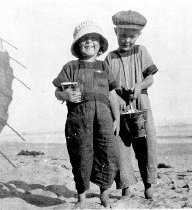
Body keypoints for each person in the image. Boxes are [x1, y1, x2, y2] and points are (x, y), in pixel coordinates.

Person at [52, 20, 120, 208]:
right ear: (77, 45)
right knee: (81, 155)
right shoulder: (71, 66)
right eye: (84, 40)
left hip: (105, 118)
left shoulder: (104, 66)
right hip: (78, 120)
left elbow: (112, 94)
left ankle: (104, 194)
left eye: (93, 39)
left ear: (100, 45)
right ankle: (81, 197)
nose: (89, 42)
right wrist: (64, 95)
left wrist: (118, 118)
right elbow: (57, 91)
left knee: (107, 153)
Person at [105, 10, 158, 199]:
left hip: (141, 102)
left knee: (146, 144)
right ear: (115, 32)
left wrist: (140, 85)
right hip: (119, 106)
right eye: (123, 35)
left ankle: (149, 184)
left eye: (131, 36)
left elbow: (150, 78)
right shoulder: (109, 58)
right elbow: (107, 87)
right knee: (121, 146)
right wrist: (117, 97)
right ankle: (126, 186)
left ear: (138, 36)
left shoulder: (141, 51)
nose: (127, 40)